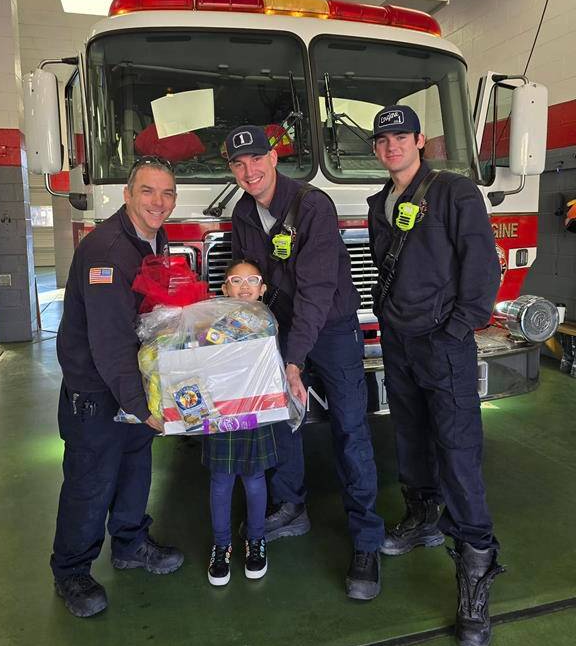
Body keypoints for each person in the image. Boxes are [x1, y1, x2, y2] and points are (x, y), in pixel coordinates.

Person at [226, 124, 385, 601]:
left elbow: (316, 292)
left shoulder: (313, 206)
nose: (249, 171)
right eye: (238, 164)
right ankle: (291, 506)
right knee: (282, 421)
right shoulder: (242, 212)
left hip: (331, 329)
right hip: (279, 330)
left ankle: (366, 541)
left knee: (351, 429)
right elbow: (245, 283)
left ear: (274, 159)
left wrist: (293, 361)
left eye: (256, 159)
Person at [367, 104, 504, 646]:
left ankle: (475, 575)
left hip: (443, 345)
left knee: (459, 451)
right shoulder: (382, 202)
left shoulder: (454, 192)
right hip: (400, 343)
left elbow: (483, 264)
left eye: (401, 137)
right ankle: (422, 514)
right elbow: (385, 266)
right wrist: (385, 315)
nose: (392, 146)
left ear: (420, 140)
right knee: (409, 436)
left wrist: (458, 328)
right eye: (383, 141)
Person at [51, 156, 184, 618]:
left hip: (133, 380)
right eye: (148, 191)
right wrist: (140, 404)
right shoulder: (107, 251)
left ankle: (129, 543)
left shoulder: (150, 236)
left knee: (134, 468)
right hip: (97, 391)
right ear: (128, 195)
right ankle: (71, 571)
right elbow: (108, 342)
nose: (159, 202)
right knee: (91, 480)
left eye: (167, 193)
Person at [202, 259, 280, 587]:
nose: (244, 286)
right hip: (223, 411)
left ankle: (256, 540)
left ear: (263, 290)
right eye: (236, 280)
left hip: (256, 411)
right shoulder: (213, 323)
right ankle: (221, 545)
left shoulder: (268, 323)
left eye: (252, 281)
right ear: (224, 289)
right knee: (221, 479)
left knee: (254, 477)